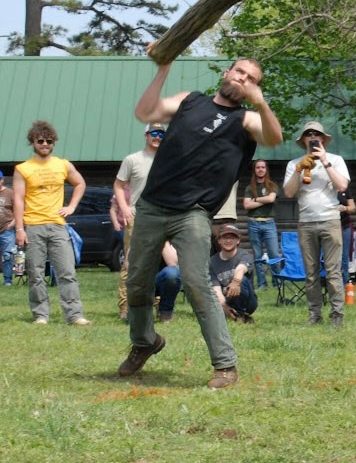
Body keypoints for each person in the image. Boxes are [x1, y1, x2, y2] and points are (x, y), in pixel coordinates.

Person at [119, 52, 282, 389]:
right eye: (239, 72)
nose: (242, 79)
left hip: (192, 212)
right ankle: (145, 341)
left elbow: (274, 138)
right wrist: (163, 69)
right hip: (151, 206)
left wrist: (261, 103)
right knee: (136, 283)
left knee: (196, 284)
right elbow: (144, 113)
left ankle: (225, 366)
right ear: (227, 72)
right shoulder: (189, 101)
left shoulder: (246, 120)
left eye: (251, 79)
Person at [13, 120, 91, 326]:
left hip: (58, 225)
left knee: (67, 272)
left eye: (49, 141)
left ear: (54, 142)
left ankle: (75, 315)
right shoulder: (23, 169)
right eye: (40, 141)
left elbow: (80, 183)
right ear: (33, 142)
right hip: (33, 226)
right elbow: (18, 200)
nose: (45, 144)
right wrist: (19, 229)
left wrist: (72, 206)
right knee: (36, 274)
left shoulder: (63, 164)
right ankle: (41, 315)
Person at [283, 121, 351, 327]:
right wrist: (298, 170)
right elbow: (288, 193)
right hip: (306, 223)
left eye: (316, 134)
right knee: (311, 273)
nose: (312, 137)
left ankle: (337, 314)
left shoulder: (335, 160)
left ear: (322, 139)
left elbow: (342, 186)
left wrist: (324, 161)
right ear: (303, 140)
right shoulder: (294, 163)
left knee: (333, 271)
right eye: (308, 134)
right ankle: (314, 315)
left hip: (330, 219)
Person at [112, 123, 167, 320]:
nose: (157, 137)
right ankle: (125, 306)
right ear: (146, 135)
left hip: (163, 217)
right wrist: (124, 208)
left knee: (158, 263)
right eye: (154, 133)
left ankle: (157, 305)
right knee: (131, 262)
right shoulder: (132, 160)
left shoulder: (169, 159)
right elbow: (118, 186)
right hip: (138, 216)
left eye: (161, 133)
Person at [208, 224, 258, 323]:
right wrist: (224, 307)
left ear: (238, 241)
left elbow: (241, 268)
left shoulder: (244, 254)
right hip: (226, 299)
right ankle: (232, 314)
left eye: (232, 237)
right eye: (225, 238)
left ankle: (241, 314)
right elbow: (216, 289)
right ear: (219, 241)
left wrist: (236, 281)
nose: (228, 241)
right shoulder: (212, 262)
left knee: (242, 280)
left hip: (248, 301)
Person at [243, 159, 280, 289]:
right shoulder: (249, 187)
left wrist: (256, 199)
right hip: (253, 223)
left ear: (266, 169)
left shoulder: (272, 185)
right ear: (255, 170)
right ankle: (261, 284)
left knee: (274, 253)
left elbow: (271, 198)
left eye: (262, 167)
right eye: (258, 167)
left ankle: (277, 282)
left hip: (269, 222)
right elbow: (247, 205)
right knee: (257, 255)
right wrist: (264, 201)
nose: (260, 169)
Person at [338, 187, 356, 281]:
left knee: (345, 256)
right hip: (330, 226)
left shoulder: (345, 189)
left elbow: (353, 208)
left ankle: (345, 281)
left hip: (345, 225)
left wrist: (344, 208)